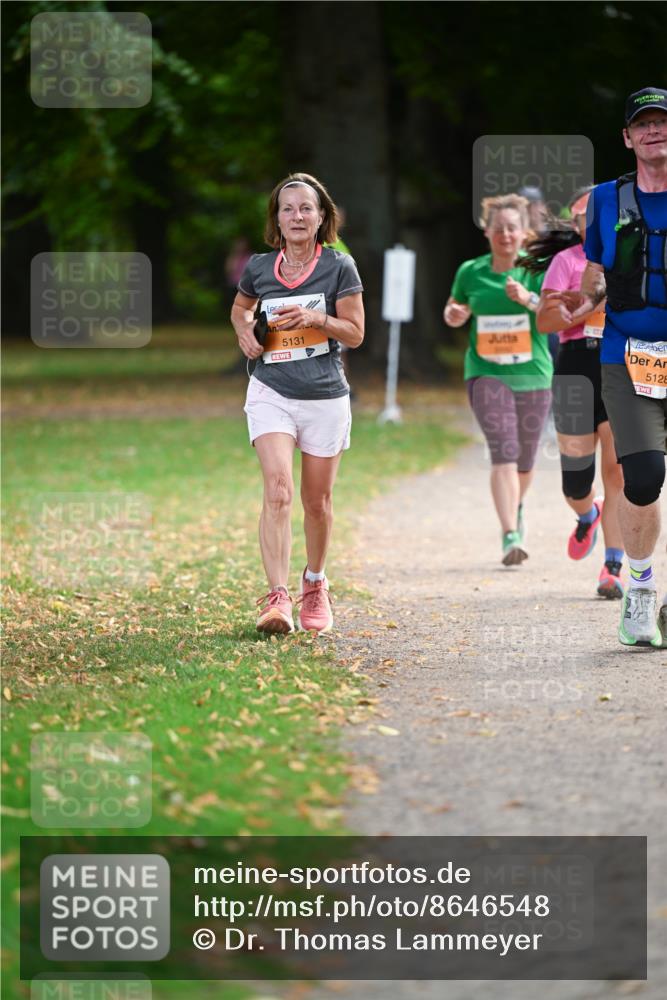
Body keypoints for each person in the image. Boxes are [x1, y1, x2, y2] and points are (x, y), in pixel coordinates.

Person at [553, 87, 667, 647]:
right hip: (628, 356)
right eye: (642, 125)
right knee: (643, 477)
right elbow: (594, 271)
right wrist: (585, 298)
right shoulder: (605, 199)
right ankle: (640, 591)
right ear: (627, 138)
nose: (654, 132)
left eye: (662, 122)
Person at [231, 173, 364, 635]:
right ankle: (277, 597)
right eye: (288, 209)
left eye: (306, 208)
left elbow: (356, 333)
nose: (297, 216)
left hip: (325, 396)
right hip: (271, 390)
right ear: (277, 219)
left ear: (322, 215)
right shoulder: (260, 268)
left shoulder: (340, 267)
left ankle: (314, 583)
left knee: (318, 502)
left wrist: (316, 317)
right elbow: (240, 308)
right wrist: (245, 331)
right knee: (278, 490)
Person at [524, 188, 625, 598]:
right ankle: (588, 514)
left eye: (597, 214)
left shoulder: (628, 256)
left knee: (618, 471)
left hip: (619, 363)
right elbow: (546, 324)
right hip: (575, 367)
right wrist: (563, 311)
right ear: (576, 223)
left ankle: (613, 567)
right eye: (582, 216)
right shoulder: (564, 263)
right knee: (575, 484)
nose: (590, 221)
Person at [444, 194, 553, 566]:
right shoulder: (470, 271)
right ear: (487, 231)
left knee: (524, 460)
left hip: (533, 374)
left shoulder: (538, 270)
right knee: (503, 452)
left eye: (512, 228)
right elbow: (454, 307)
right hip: (486, 373)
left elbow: (557, 316)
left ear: (524, 232)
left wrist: (528, 299)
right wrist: (455, 314)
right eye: (498, 228)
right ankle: (510, 535)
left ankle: (516, 507)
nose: (505, 234)